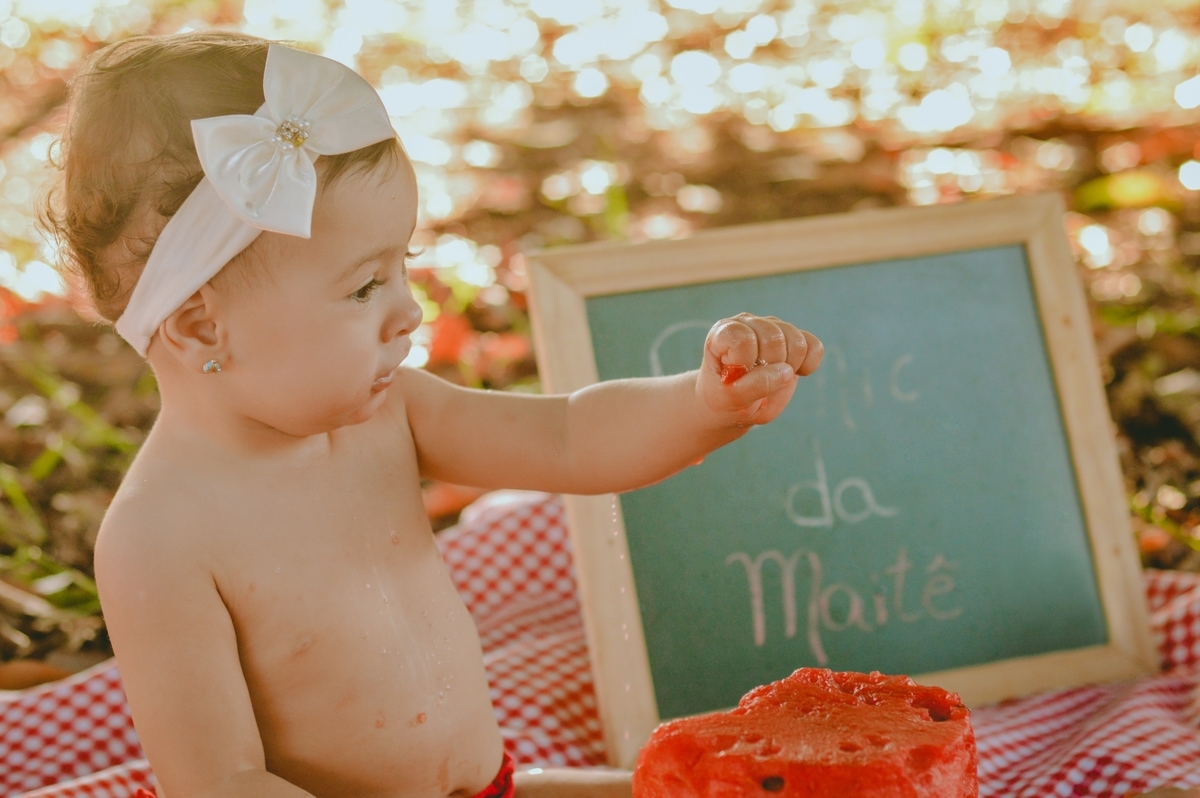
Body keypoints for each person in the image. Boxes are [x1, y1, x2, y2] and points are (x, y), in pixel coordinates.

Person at [41, 31, 823, 798]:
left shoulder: (386, 417)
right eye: (361, 287)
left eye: (399, 267)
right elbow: (220, 781)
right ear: (202, 326)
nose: (409, 313)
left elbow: (571, 438)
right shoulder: (161, 537)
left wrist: (702, 402)